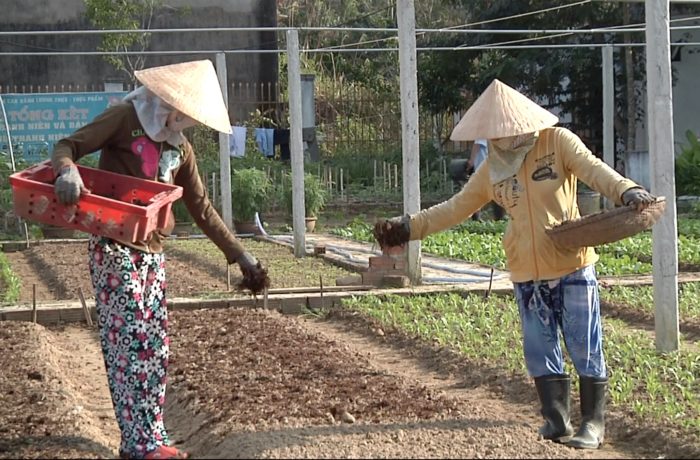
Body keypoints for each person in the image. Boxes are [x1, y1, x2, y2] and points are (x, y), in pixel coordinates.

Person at [373, 79, 656, 450]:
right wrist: (408, 227)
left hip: (572, 264)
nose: (499, 137)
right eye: (492, 132)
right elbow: (456, 208)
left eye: (502, 129)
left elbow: (594, 170)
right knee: (539, 348)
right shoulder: (493, 167)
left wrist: (626, 190)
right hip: (527, 271)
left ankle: (593, 423)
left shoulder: (557, 144)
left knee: (584, 344)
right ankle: (556, 420)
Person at [51, 59, 270, 459]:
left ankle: (150, 438)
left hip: (152, 254)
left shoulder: (179, 147)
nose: (188, 122)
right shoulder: (125, 117)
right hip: (114, 247)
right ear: (170, 101)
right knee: (128, 345)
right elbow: (68, 146)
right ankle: (138, 445)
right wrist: (67, 171)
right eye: (186, 113)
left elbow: (200, 207)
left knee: (154, 348)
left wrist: (241, 255)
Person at [467, 138, 505, 221]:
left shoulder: (482, 130)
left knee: (478, 194)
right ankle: (499, 218)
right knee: (495, 193)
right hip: (494, 167)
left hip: (482, 168)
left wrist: (471, 161)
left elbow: (477, 145)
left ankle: (476, 218)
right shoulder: (495, 134)